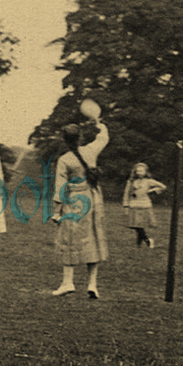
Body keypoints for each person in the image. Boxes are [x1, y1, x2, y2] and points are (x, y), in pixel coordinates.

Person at [50, 118, 110, 299]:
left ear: (64, 139)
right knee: (94, 238)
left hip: (74, 201)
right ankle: (92, 284)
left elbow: (60, 187)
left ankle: (68, 282)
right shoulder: (91, 150)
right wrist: (100, 125)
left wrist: (55, 211)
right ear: (80, 137)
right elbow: (103, 138)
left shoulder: (65, 159)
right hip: (93, 199)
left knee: (69, 239)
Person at [121, 162, 167, 248]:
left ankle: (143, 242)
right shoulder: (131, 182)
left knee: (140, 225)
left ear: (145, 172)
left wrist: (152, 191)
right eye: (137, 171)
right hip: (133, 205)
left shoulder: (149, 181)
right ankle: (145, 241)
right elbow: (126, 194)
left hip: (145, 205)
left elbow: (163, 187)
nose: (139, 173)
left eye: (141, 171)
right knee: (135, 225)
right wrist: (126, 206)